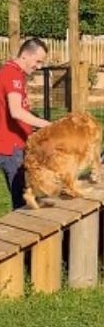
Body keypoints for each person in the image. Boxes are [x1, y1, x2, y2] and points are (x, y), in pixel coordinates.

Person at [0, 38, 51, 209]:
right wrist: (47, 125)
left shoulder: (15, 73)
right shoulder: (12, 74)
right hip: (11, 148)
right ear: (25, 56)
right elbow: (16, 111)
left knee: (27, 195)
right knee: (23, 201)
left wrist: (33, 125)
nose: (39, 66)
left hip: (17, 145)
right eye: (38, 61)